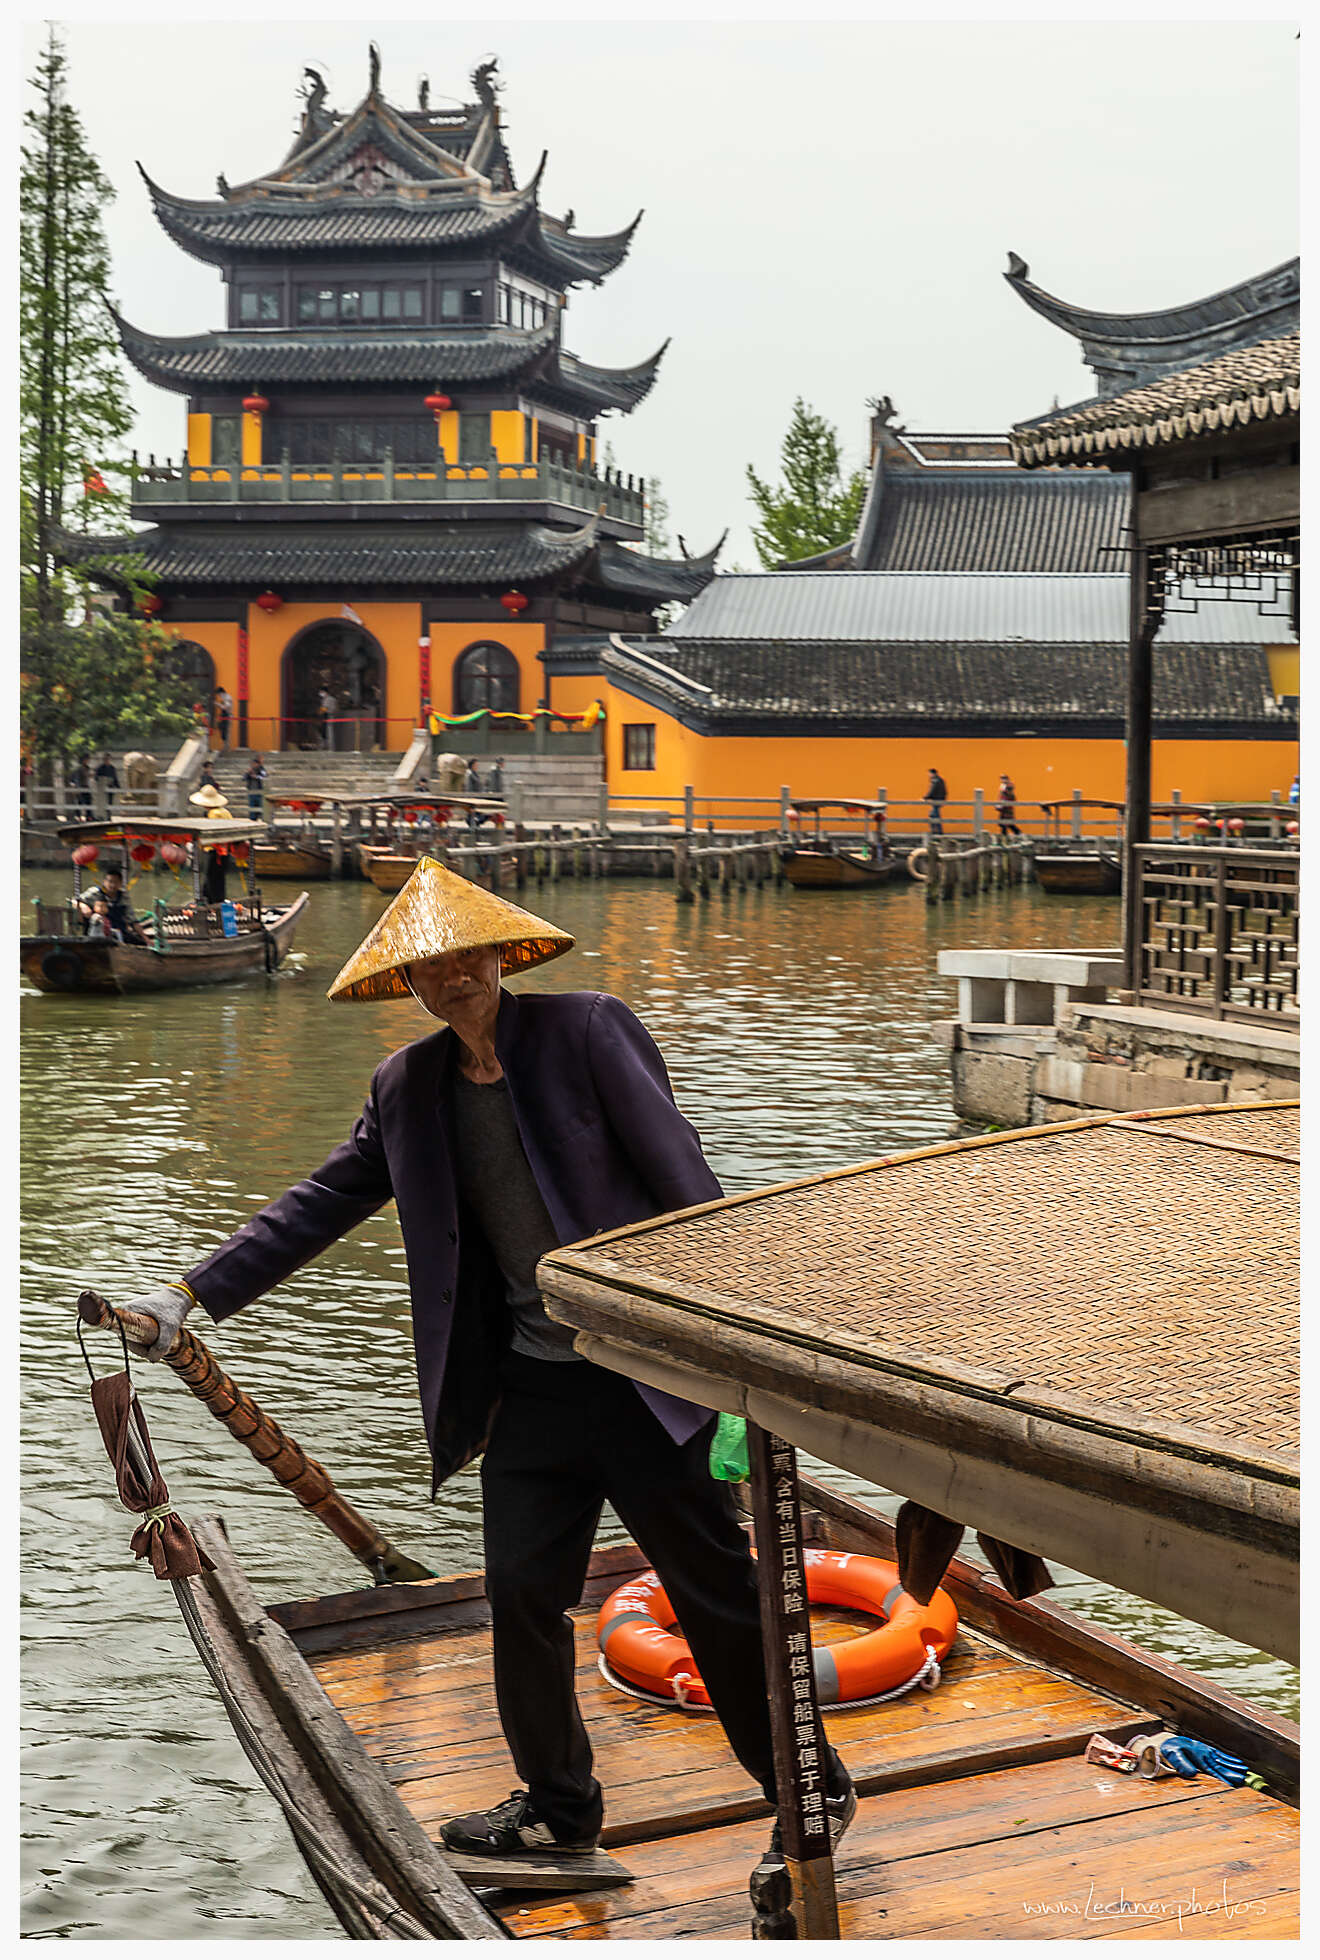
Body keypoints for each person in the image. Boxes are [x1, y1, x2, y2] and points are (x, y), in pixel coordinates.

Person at [123, 863, 854, 1867]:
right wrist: (187, 1295)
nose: (454, 974)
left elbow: (688, 1187)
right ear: (410, 984)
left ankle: (809, 1791)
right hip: (530, 1391)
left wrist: (740, 1353)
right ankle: (560, 1809)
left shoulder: (588, 1031)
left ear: (502, 956)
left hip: (644, 1382)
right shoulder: (407, 1086)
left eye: (468, 953)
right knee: (518, 1595)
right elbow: (317, 1202)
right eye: (431, 963)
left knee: (715, 1593)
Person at [80, 867, 147, 944]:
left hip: (120, 932)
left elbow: (133, 920)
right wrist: (83, 906)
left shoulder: (123, 896)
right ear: (104, 882)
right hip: (99, 933)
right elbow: (75, 900)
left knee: (140, 943)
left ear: (120, 883)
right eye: (110, 881)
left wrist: (145, 938)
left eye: (116, 882)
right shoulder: (95, 892)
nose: (112, 885)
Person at [93, 751, 119, 819]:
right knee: (102, 802)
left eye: (108, 759)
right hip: (102, 789)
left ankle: (108, 816)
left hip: (110, 788)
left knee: (109, 802)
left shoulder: (112, 768)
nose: (107, 760)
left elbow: (115, 778)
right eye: (106, 759)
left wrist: (118, 787)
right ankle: (102, 816)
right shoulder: (100, 768)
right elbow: (96, 777)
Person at [996, 773, 1021, 841]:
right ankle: (1006, 837)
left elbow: (1008, 796)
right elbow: (1001, 796)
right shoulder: (1003, 786)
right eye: (1001, 778)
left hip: (1007, 808)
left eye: (1004, 778)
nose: (1002, 780)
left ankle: (1017, 834)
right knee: (1005, 823)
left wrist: (1002, 803)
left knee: (1007, 823)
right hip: (1004, 808)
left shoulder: (1009, 786)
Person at [243, 754, 268, 822]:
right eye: (252, 764)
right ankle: (252, 819)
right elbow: (244, 778)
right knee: (252, 806)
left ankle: (262, 818)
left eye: (255, 764)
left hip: (259, 791)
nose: (253, 765)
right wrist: (248, 773)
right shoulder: (249, 771)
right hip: (251, 791)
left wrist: (256, 777)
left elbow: (264, 777)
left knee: (260, 805)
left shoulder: (261, 770)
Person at [925, 766, 948, 837]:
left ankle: (937, 832)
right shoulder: (940, 780)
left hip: (936, 800)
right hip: (940, 799)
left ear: (933, 774)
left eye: (929, 774)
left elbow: (932, 790)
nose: (929, 775)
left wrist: (926, 797)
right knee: (934, 815)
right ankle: (937, 831)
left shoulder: (935, 781)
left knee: (934, 815)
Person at [318, 686, 338, 752]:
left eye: (321, 692)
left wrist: (319, 712)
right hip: (330, 716)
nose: (320, 693)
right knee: (327, 733)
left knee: (329, 733)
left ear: (325, 692)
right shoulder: (331, 699)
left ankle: (330, 749)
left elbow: (324, 709)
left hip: (329, 716)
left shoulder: (328, 699)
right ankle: (329, 748)